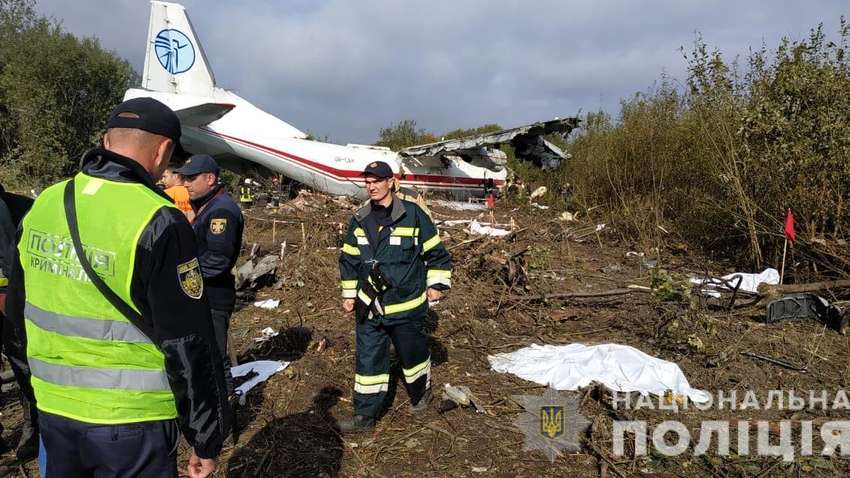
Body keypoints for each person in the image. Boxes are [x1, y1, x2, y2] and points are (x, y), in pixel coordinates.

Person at [6, 97, 232, 477]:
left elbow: (16, 318)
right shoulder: (158, 219)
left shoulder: (45, 203)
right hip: (133, 422)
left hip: (55, 412)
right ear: (162, 151)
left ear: (106, 141)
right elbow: (187, 341)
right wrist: (205, 437)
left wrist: (35, 396)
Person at [338, 161, 452, 432]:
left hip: (406, 305)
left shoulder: (413, 215)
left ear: (390, 182)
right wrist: (349, 294)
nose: (372, 187)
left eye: (377, 181)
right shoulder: (359, 219)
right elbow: (349, 259)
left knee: (412, 356)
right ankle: (364, 415)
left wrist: (436, 284)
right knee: (368, 359)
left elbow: (437, 253)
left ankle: (421, 394)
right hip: (370, 306)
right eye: (368, 182)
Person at [177, 155, 244, 363]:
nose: (185, 184)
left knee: (213, 360)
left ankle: (224, 385)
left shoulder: (221, 210)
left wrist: (183, 279)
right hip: (203, 294)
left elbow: (217, 260)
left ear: (210, 179)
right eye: (184, 178)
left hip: (213, 296)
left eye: (191, 178)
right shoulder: (207, 206)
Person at [0, 184, 38, 462]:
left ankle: (34, 428)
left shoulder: (22, 208)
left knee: (24, 365)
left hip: (10, 300)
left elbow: (12, 260)